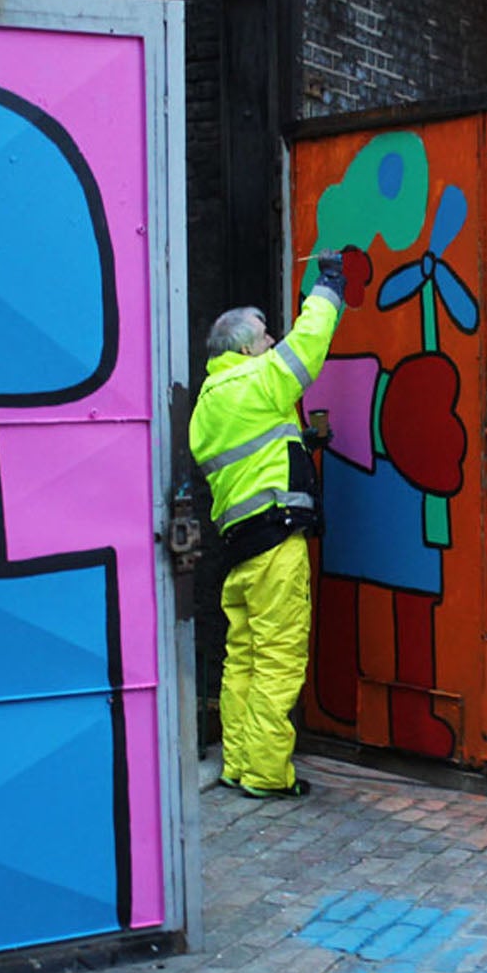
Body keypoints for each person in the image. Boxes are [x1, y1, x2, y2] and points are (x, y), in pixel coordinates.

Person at [189, 252, 347, 798]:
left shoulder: (210, 402)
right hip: (277, 542)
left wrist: (298, 447)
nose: (271, 341)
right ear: (242, 349)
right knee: (279, 661)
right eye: (263, 336)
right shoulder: (257, 382)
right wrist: (328, 286)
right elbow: (308, 346)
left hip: (239, 549)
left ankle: (238, 763)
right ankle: (265, 775)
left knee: (245, 661)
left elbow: (252, 454)